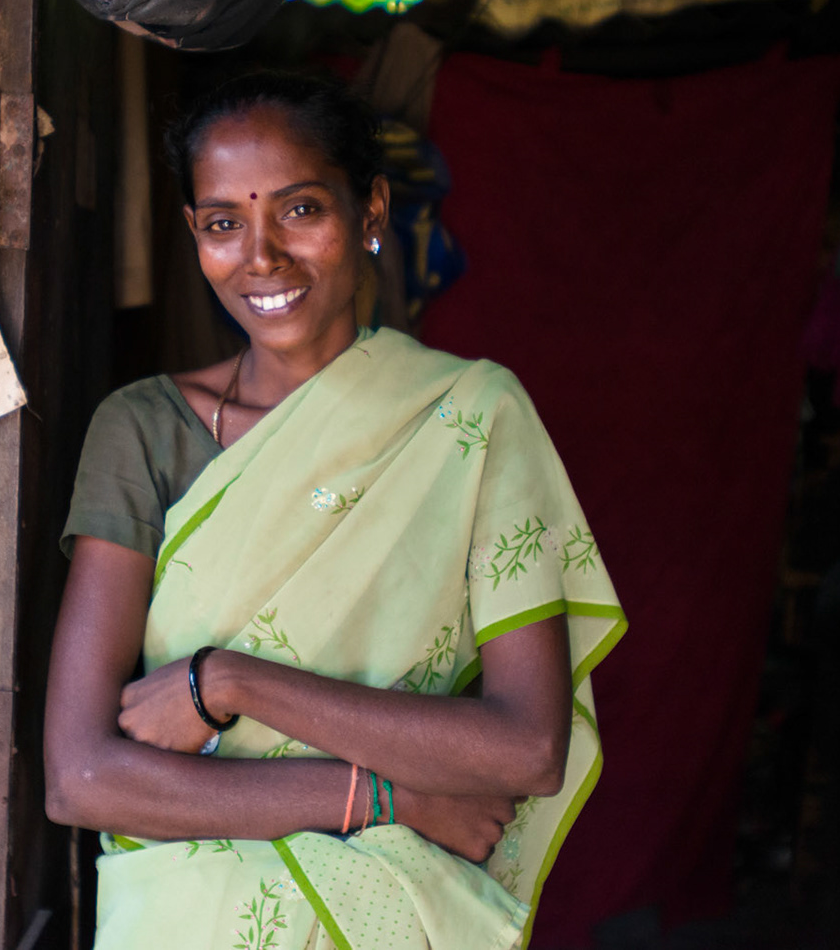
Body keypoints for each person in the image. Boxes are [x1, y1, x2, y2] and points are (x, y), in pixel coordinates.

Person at [45, 72, 624, 949]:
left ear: (372, 214)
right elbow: (81, 776)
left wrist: (231, 681)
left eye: (301, 210)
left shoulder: (473, 421)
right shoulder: (143, 432)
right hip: (185, 921)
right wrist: (382, 796)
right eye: (223, 224)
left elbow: (527, 749)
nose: (262, 257)